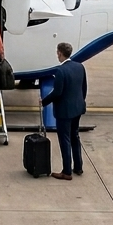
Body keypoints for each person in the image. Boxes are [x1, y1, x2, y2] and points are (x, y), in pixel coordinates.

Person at [41, 42, 87, 181]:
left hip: (64, 112)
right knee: (75, 136)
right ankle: (78, 167)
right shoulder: (80, 66)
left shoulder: (61, 71)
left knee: (65, 140)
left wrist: (43, 102)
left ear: (60, 53)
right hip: (77, 108)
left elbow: (57, 93)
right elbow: (83, 88)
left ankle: (67, 171)